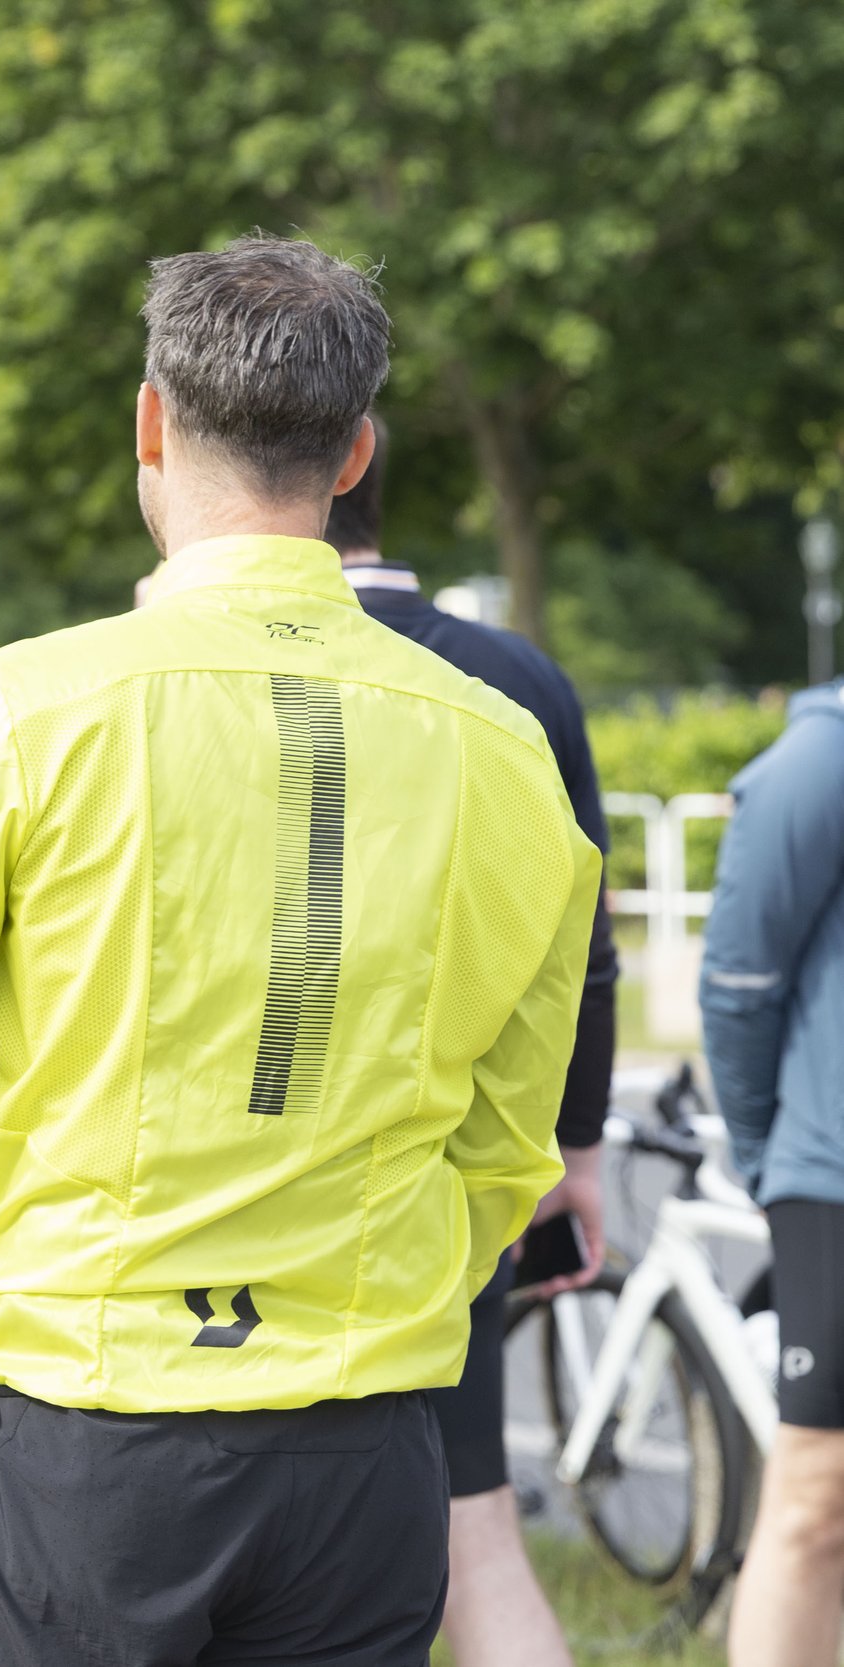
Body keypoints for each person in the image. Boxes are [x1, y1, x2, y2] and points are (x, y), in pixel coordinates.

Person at [0, 236, 602, 1665]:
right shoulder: (503, 745)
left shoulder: (32, 707)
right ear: (355, 453)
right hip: (363, 1445)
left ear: (151, 425)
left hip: (85, 1431)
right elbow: (505, 1141)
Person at [323, 418, 619, 1667]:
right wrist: (577, 1145)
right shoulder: (518, 677)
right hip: (455, 1173)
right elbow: (586, 947)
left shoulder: (190, 665)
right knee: (474, 1528)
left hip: (243, 1191)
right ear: (364, 463)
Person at [704, 675, 844, 1667]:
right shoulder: (821, 756)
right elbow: (737, 983)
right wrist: (768, 1158)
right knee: (815, 1501)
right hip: (835, 1179)